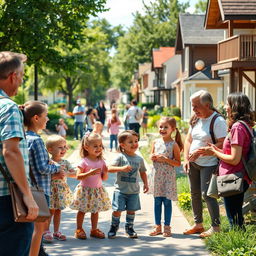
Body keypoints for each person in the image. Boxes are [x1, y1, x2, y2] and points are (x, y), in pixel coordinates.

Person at [0, 51, 38, 256]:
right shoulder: (8, 108)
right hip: (7, 201)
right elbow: (11, 152)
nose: (21, 81)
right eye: (22, 76)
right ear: (13, 76)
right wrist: (27, 195)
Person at [198, 93, 254, 228]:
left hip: (234, 177)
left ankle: (238, 245)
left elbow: (234, 159)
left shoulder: (237, 128)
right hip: (237, 176)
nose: (225, 107)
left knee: (234, 218)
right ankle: (239, 244)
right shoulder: (245, 125)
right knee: (236, 216)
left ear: (235, 106)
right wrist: (216, 150)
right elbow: (236, 154)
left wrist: (214, 152)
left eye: (228, 104)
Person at [183, 90, 227, 238]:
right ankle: (198, 224)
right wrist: (186, 159)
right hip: (193, 164)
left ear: (207, 105)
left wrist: (200, 152)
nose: (194, 110)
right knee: (194, 194)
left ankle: (215, 227)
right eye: (192, 106)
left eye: (196, 106)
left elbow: (222, 144)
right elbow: (188, 140)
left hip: (209, 164)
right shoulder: (196, 119)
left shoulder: (218, 121)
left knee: (207, 195)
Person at [22, 101, 64, 256]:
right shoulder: (37, 140)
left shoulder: (23, 137)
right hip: (40, 191)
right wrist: (57, 167)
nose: (47, 119)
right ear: (35, 118)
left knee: (30, 229)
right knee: (38, 230)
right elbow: (42, 168)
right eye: (45, 116)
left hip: (27, 189)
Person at [107, 130, 149, 239]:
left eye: (136, 141)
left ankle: (129, 228)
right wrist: (121, 168)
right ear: (122, 145)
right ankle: (114, 227)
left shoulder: (139, 159)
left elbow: (143, 172)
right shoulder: (120, 157)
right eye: (130, 142)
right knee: (117, 210)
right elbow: (109, 168)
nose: (134, 144)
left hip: (134, 191)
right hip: (120, 190)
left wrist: (146, 184)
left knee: (131, 211)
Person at [70, 132, 111, 239]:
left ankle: (94, 229)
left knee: (95, 211)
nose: (99, 148)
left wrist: (105, 172)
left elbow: (104, 178)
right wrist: (89, 173)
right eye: (95, 146)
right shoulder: (84, 162)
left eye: (100, 146)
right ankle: (79, 229)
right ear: (86, 147)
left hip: (97, 190)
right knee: (82, 211)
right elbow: (78, 176)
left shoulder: (101, 161)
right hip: (85, 190)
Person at [149, 117, 183, 237]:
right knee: (157, 202)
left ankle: (167, 227)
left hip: (168, 178)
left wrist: (166, 160)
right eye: (161, 127)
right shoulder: (155, 142)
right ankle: (157, 226)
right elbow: (151, 155)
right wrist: (152, 157)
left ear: (172, 129)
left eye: (165, 127)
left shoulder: (174, 145)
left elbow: (178, 163)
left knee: (167, 202)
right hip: (157, 177)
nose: (162, 129)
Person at [45, 135, 76, 241]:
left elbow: (74, 173)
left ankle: (56, 231)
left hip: (61, 190)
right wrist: (55, 176)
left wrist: (66, 174)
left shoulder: (65, 162)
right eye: (60, 147)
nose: (63, 149)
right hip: (51, 190)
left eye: (64, 147)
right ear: (50, 150)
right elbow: (44, 176)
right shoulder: (48, 162)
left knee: (58, 210)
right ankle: (46, 231)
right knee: (50, 211)